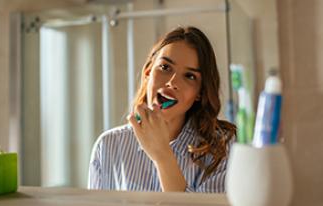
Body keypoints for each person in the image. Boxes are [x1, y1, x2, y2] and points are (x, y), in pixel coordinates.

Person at [88, 26, 236, 193]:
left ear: (199, 93)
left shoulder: (222, 149)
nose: (172, 82)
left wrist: (163, 156)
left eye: (190, 76)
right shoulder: (108, 145)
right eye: (165, 67)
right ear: (148, 72)